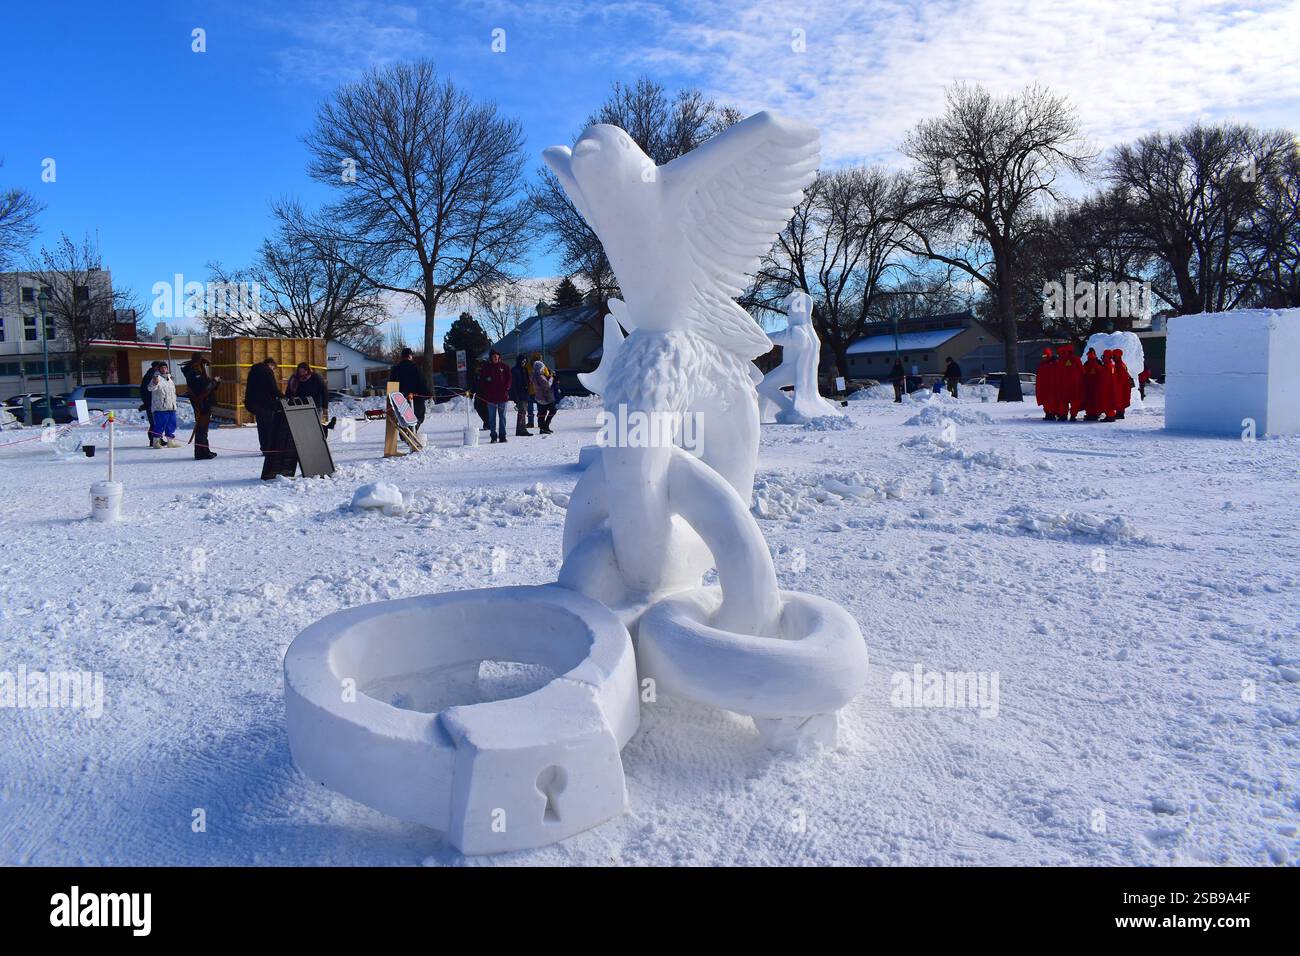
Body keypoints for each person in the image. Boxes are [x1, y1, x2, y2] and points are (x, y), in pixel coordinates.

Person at [181, 355, 220, 460]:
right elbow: (204, 388)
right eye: (202, 363)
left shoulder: (195, 373)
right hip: (201, 403)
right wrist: (214, 382)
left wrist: (214, 383)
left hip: (204, 402)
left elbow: (206, 386)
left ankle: (204, 450)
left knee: (203, 429)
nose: (203, 366)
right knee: (201, 429)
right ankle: (201, 453)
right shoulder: (193, 374)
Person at [244, 356, 283, 455]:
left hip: (255, 403)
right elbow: (272, 386)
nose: (273, 371)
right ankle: (270, 449)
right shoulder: (267, 371)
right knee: (269, 427)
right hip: (266, 403)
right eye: (273, 369)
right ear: (271, 365)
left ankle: (264, 448)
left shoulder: (253, 371)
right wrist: (282, 396)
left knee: (261, 427)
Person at [387, 348, 430, 429]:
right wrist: (427, 393)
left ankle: (406, 432)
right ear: (410, 356)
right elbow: (422, 382)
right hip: (416, 398)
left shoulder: (395, 369)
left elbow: (392, 385)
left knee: (402, 418)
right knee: (419, 415)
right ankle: (413, 428)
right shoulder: (416, 368)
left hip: (400, 400)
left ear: (402, 357)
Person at [477, 349, 513, 443]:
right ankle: (493, 436)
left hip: (502, 396)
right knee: (491, 418)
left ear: (499, 357)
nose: (496, 357)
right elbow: (482, 382)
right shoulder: (486, 368)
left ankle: (502, 436)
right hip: (491, 398)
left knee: (502, 417)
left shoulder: (505, 367)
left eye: (497, 356)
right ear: (491, 358)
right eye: (494, 356)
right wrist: (485, 392)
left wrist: (507, 387)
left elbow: (509, 378)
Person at [285, 361, 333, 428]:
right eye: (300, 372)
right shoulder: (295, 379)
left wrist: (325, 407)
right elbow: (289, 391)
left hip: (316, 405)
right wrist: (287, 399)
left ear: (307, 371)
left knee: (315, 426)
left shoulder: (316, 378)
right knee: (302, 427)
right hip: (300, 406)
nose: (301, 374)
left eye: (303, 372)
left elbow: (324, 391)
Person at [147, 362, 181, 448]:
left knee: (172, 424)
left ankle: (170, 442)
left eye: (165, 367)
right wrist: (154, 383)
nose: (164, 369)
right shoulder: (156, 378)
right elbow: (150, 388)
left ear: (167, 369)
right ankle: (156, 442)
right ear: (159, 369)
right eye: (162, 368)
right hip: (160, 407)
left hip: (171, 406)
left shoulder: (170, 379)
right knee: (160, 424)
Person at [1056, 345, 1084, 420]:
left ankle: (1063, 416)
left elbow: (1058, 373)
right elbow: (1082, 372)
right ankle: (1073, 416)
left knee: (1063, 401)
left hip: (1063, 385)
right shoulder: (1076, 359)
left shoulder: (1061, 360)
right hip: (1075, 386)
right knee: (1074, 401)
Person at [531, 359, 557, 434]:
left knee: (542, 412)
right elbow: (547, 385)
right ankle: (545, 426)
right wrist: (551, 377)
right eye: (542, 368)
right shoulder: (540, 376)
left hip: (539, 397)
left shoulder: (534, 375)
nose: (543, 370)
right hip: (545, 397)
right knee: (553, 410)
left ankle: (542, 428)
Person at [510, 354, 532, 436]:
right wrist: (515, 397)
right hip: (519, 394)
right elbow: (513, 385)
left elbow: (527, 380)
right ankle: (521, 430)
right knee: (522, 412)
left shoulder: (525, 369)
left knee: (523, 412)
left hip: (525, 393)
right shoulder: (514, 370)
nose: (524, 362)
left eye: (525, 361)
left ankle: (521, 429)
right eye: (522, 361)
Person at [139, 361, 161, 445]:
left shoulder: (152, 375)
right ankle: (153, 439)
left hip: (153, 402)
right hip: (151, 403)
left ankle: (156, 439)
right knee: (154, 422)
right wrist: (147, 403)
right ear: (155, 367)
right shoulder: (150, 376)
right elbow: (146, 391)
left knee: (156, 422)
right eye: (159, 367)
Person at [1035, 347, 1058, 420]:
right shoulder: (1042, 364)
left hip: (1052, 386)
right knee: (1045, 401)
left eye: (1045, 356)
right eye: (1043, 356)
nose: (1044, 358)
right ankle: (1048, 413)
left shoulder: (1055, 363)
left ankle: (1052, 413)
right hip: (1044, 387)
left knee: (1052, 401)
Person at [1112, 348, 1132, 419]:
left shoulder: (1119, 365)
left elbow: (1118, 377)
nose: (1113, 358)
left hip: (1121, 385)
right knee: (1122, 398)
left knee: (1120, 398)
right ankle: (1120, 413)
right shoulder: (1122, 364)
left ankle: (1120, 413)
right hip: (1124, 385)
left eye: (1114, 356)